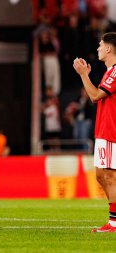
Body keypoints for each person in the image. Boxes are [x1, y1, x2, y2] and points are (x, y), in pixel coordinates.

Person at [73, 32, 116, 233]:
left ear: (108, 49)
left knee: (109, 176)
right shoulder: (109, 72)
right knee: (101, 175)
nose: (98, 48)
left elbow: (96, 96)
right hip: (104, 130)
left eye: (100, 45)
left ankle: (114, 224)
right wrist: (87, 76)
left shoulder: (115, 71)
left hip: (111, 131)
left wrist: (83, 74)